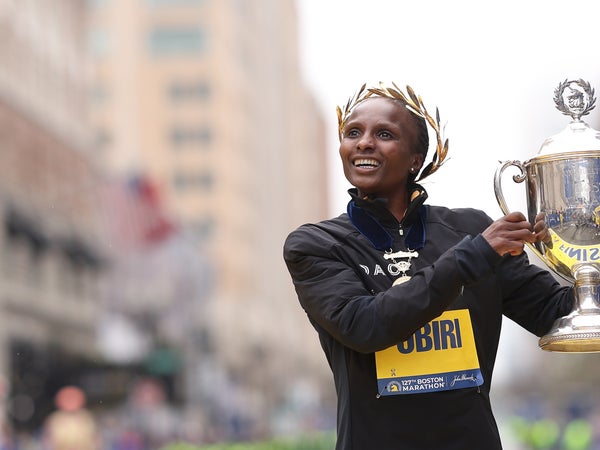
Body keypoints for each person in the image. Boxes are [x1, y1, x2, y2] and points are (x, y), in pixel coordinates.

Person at [283, 83, 574, 450]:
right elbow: (365, 326)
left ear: (415, 159)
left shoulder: (471, 230)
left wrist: (578, 247)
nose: (363, 143)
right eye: (353, 133)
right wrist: (473, 257)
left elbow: (557, 313)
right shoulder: (316, 244)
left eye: (384, 134)